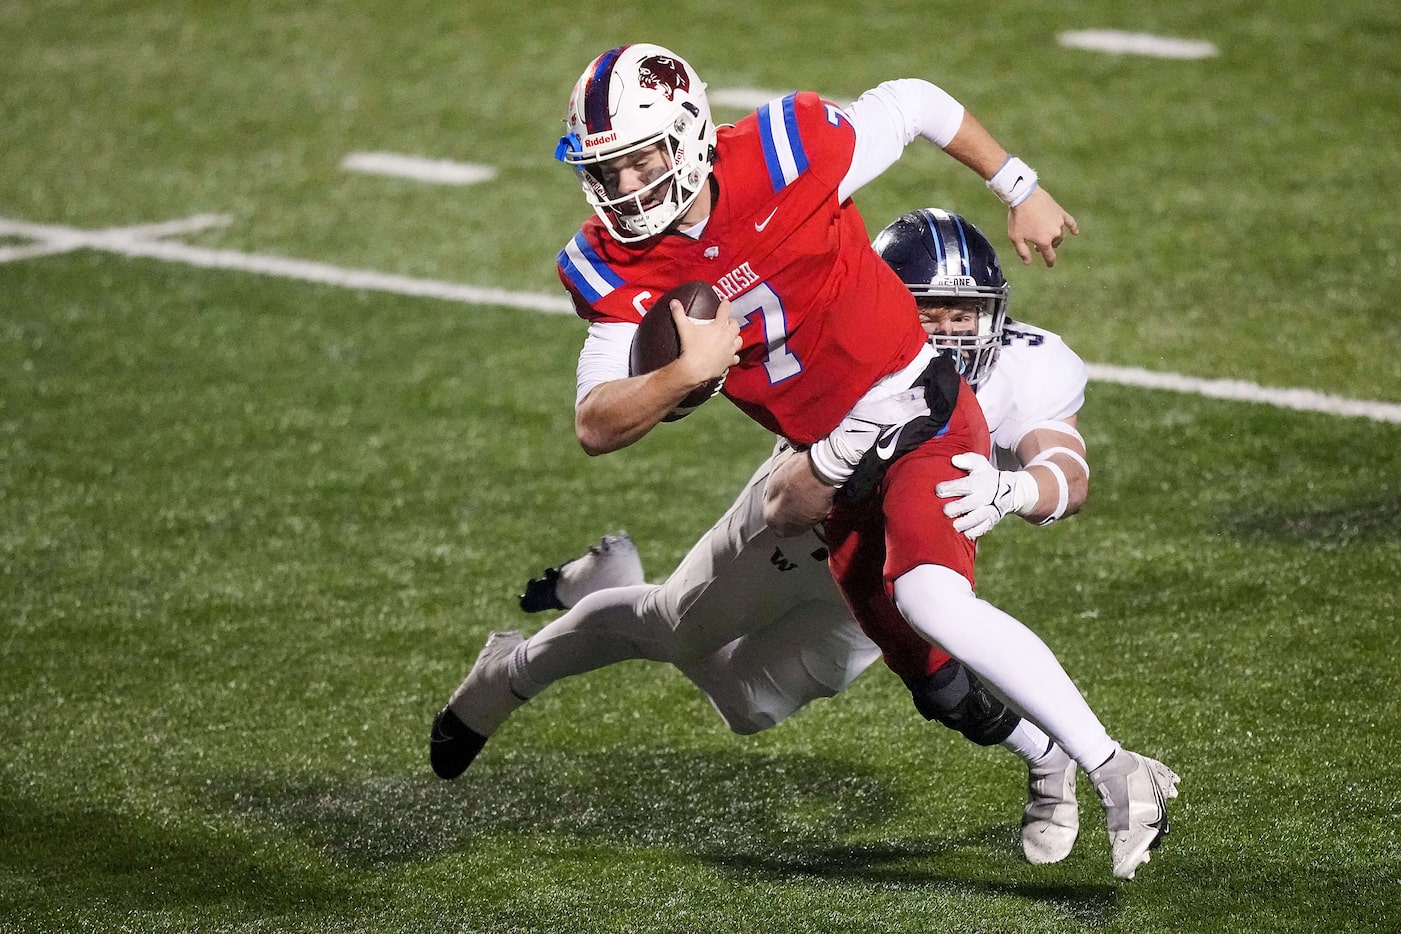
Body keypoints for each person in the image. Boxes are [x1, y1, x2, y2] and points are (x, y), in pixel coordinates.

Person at [431, 43, 1177, 879]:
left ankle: (1107, 770)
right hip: (814, 471)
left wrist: (1018, 184)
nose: (626, 188)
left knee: (926, 606)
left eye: (641, 159)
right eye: (606, 170)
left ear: (690, 137)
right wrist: (683, 372)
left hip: (914, 420)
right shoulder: (612, 260)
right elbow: (596, 424)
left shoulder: (789, 149)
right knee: (698, 651)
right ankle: (517, 667)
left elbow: (916, 97)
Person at [487, 208, 1097, 866]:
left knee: (746, 704)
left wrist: (1016, 490)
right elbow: (785, 494)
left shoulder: (1029, 365)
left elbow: (1066, 470)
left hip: (889, 556)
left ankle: (610, 588)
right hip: (802, 512)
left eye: (962, 313)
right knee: (677, 631)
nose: (948, 333)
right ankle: (1046, 758)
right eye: (928, 314)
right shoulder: (844, 341)